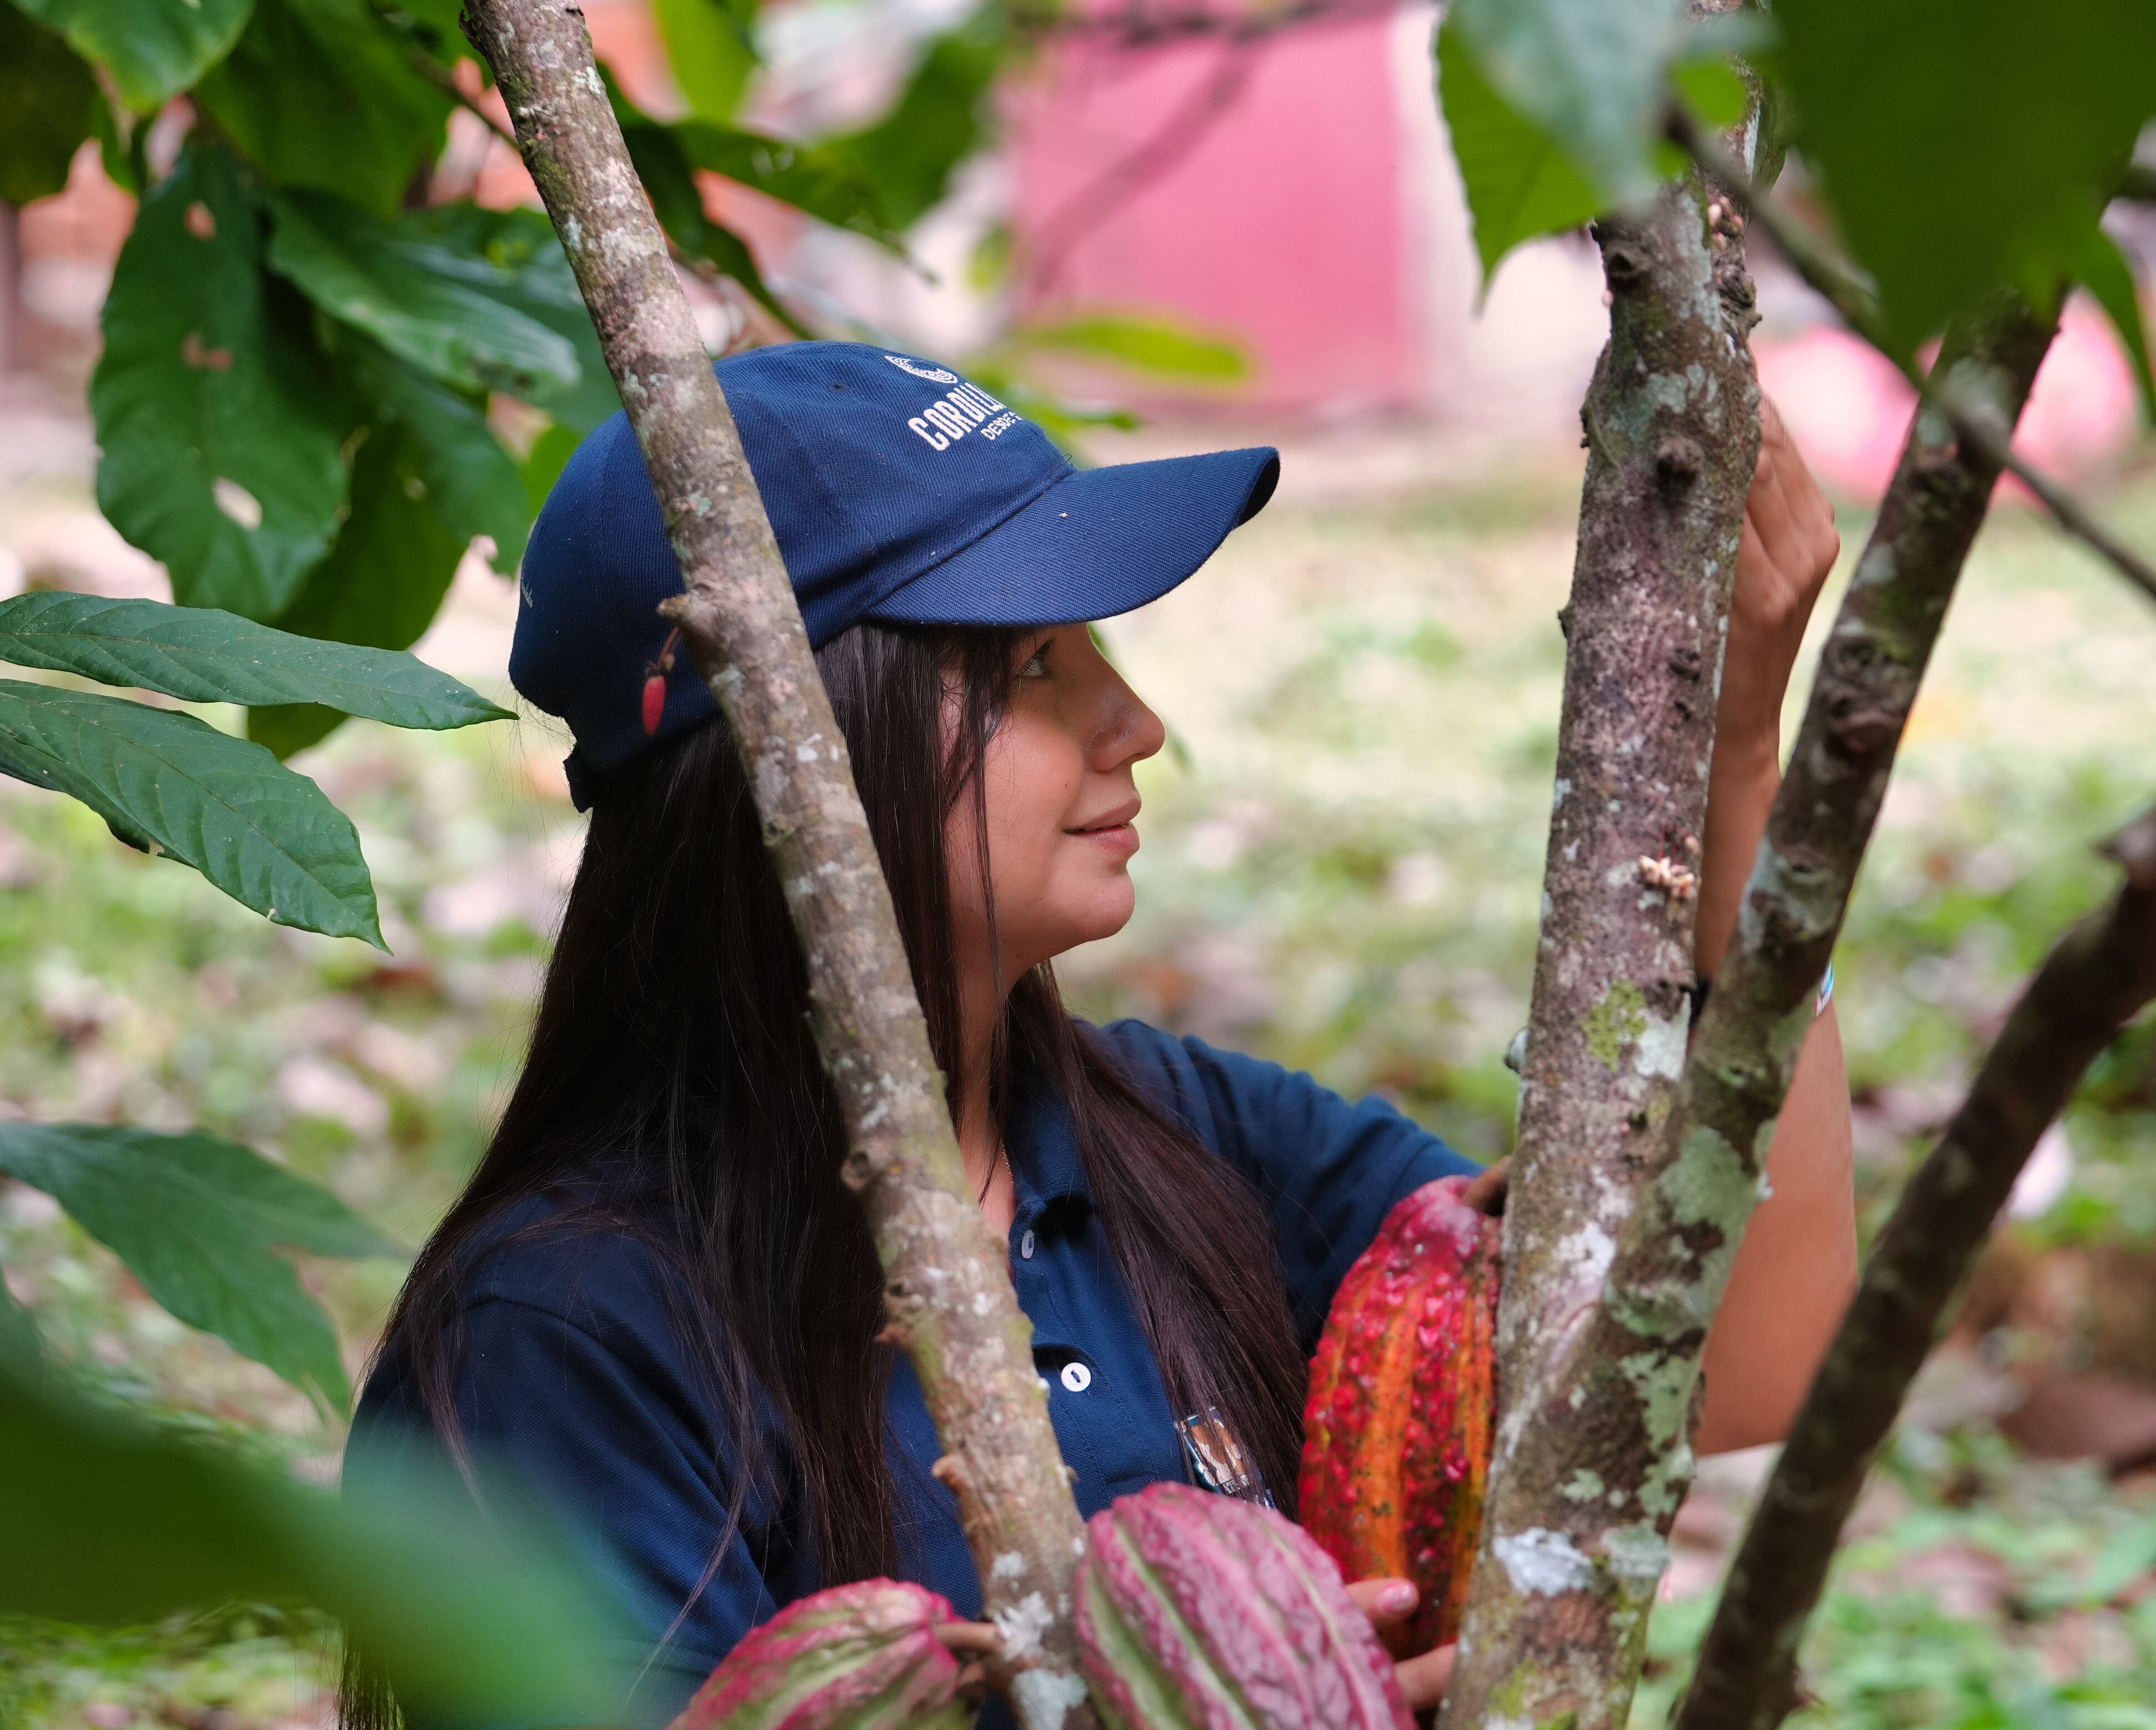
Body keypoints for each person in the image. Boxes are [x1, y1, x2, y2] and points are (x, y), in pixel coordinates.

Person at [343, 342, 1854, 1728]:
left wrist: (1733, 757)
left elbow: (1740, 1363)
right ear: (794, 760)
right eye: (1029, 668)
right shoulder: (564, 1337)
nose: (1133, 722)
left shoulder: (1186, 1139)